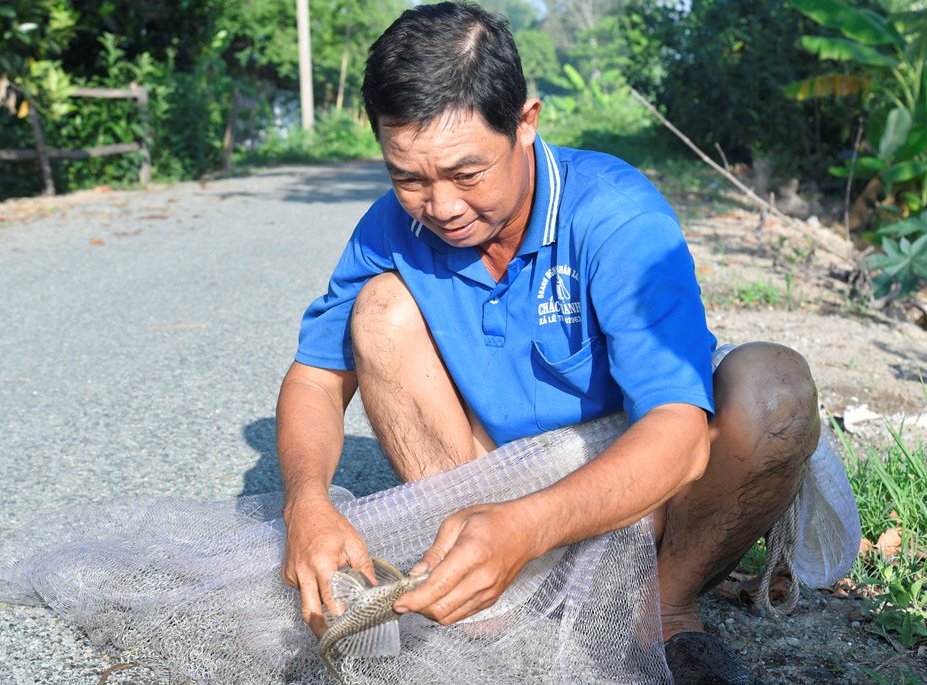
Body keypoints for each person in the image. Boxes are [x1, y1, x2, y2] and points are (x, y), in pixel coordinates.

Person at [275, 3, 820, 684]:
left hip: (638, 502)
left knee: (773, 387)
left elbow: (680, 433)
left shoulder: (613, 213)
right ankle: (491, 608)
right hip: (489, 499)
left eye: (466, 173)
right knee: (378, 309)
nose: (439, 206)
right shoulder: (391, 227)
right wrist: (307, 501)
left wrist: (527, 527)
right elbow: (315, 380)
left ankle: (665, 610)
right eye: (408, 177)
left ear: (526, 124)